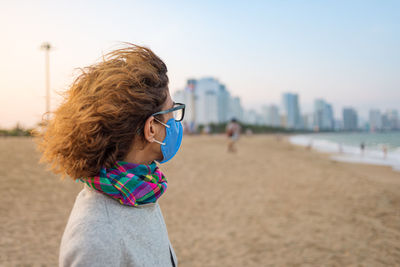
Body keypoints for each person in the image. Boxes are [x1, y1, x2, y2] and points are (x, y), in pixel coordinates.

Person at [35, 44, 183, 267]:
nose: (176, 121)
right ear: (151, 128)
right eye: (172, 112)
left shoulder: (141, 189)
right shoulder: (96, 239)